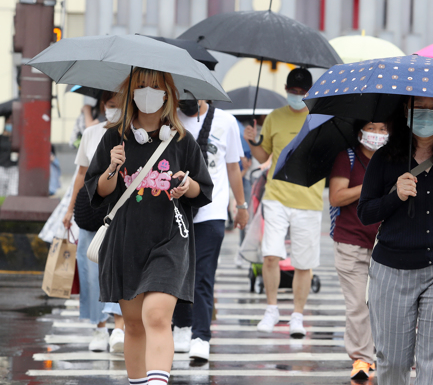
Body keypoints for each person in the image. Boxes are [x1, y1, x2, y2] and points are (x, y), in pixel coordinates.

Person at [85, 67, 213, 385]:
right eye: (140, 86)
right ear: (130, 93)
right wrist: (112, 168)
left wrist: (187, 185)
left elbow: (202, 190)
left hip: (170, 238)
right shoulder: (114, 137)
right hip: (125, 240)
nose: (147, 92)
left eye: (154, 86)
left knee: (156, 316)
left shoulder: (182, 140)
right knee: (133, 324)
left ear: (168, 93)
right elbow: (98, 191)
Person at [358, 97, 433, 385]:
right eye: (420, 106)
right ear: (405, 110)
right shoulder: (385, 158)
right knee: (392, 361)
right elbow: (365, 213)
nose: (428, 113)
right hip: (390, 270)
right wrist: (394, 197)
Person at [243, 68, 322, 338]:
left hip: (309, 198)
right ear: (286, 88)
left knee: (304, 262)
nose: (297, 96)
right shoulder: (275, 117)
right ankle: (272, 309)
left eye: (302, 93)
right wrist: (253, 140)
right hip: (276, 195)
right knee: (270, 255)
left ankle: (297, 316)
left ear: (310, 93)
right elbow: (263, 153)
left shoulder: (319, 119)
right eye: (293, 91)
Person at [171, 99, 248, 362]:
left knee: (203, 275)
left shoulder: (226, 121)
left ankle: (201, 335)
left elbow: (232, 167)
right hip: (176, 209)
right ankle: (181, 326)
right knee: (178, 271)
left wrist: (241, 204)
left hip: (212, 212)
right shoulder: (170, 118)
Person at [62, 91, 125, 353]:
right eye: (110, 105)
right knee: (90, 273)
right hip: (90, 210)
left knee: (120, 268)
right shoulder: (91, 133)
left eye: (119, 106)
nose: (114, 110)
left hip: (121, 211)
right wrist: (68, 209)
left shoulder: (135, 134)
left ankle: (119, 328)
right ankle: (99, 327)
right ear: (103, 106)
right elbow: (81, 174)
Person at [328, 121, 388, 380]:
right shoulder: (347, 158)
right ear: (360, 131)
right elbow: (336, 196)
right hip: (350, 242)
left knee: (384, 304)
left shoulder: (394, 159)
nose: (377, 134)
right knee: (357, 305)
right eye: (372, 128)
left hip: (386, 244)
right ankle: (361, 358)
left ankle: (386, 355)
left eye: (383, 129)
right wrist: (369, 187)